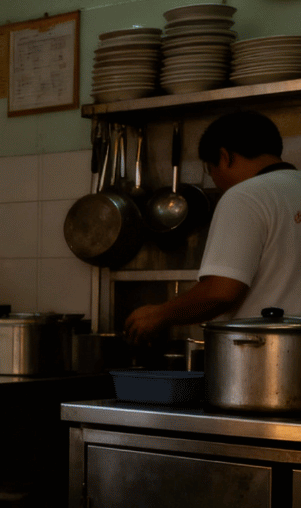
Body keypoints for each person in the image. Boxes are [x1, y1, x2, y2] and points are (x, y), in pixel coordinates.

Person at [125, 111, 301, 341]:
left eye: (210, 170)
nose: (216, 182)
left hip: (265, 357)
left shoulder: (245, 196)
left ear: (225, 156)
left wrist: (158, 314)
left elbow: (221, 293)